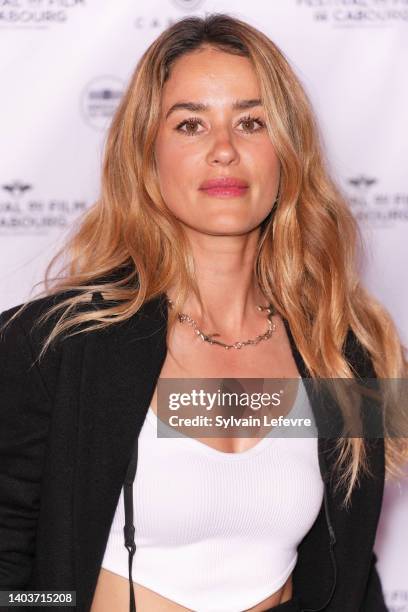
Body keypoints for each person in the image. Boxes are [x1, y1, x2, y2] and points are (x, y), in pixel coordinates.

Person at [0, 12, 407, 612]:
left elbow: (351, 568)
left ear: (287, 151)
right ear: (147, 153)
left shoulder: (347, 351)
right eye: (191, 124)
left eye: (251, 122)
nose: (224, 150)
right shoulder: (53, 345)